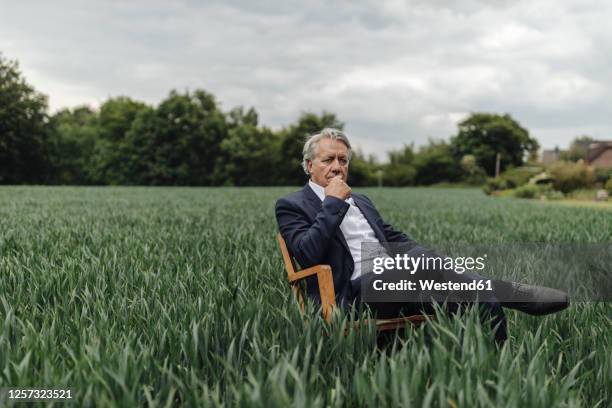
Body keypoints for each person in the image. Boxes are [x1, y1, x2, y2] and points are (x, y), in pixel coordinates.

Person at [275, 128, 569, 344]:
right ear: (310, 165)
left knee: (480, 298)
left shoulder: (361, 200)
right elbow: (307, 253)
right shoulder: (292, 205)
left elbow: (394, 238)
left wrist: (432, 263)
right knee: (425, 263)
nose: (338, 167)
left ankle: (501, 369)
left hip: (398, 281)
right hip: (351, 294)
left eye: (343, 159)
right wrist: (333, 203)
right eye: (328, 160)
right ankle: (516, 294)